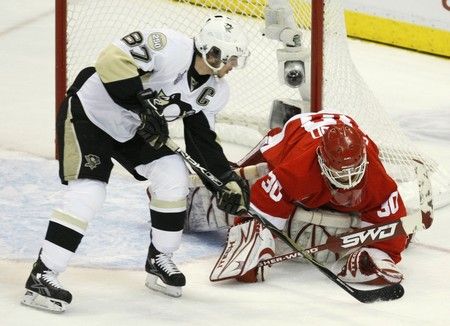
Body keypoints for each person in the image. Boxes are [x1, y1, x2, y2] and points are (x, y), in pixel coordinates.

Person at [21, 14, 250, 312]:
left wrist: (224, 179)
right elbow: (110, 61)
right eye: (231, 57)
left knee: (172, 173)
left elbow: (202, 140)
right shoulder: (167, 46)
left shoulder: (215, 91)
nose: (233, 65)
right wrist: (142, 107)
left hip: (134, 128)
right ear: (212, 51)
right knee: (88, 191)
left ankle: (160, 258)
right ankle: (43, 273)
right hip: (90, 114)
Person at [209, 112, 407, 285]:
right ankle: (235, 168)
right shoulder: (299, 169)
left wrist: (381, 250)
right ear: (321, 162)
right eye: (339, 176)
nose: (347, 183)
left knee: (374, 198)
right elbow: (260, 208)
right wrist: (252, 237)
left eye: (353, 175)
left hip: (343, 129)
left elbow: (393, 227)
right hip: (299, 131)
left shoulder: (376, 176)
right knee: (261, 162)